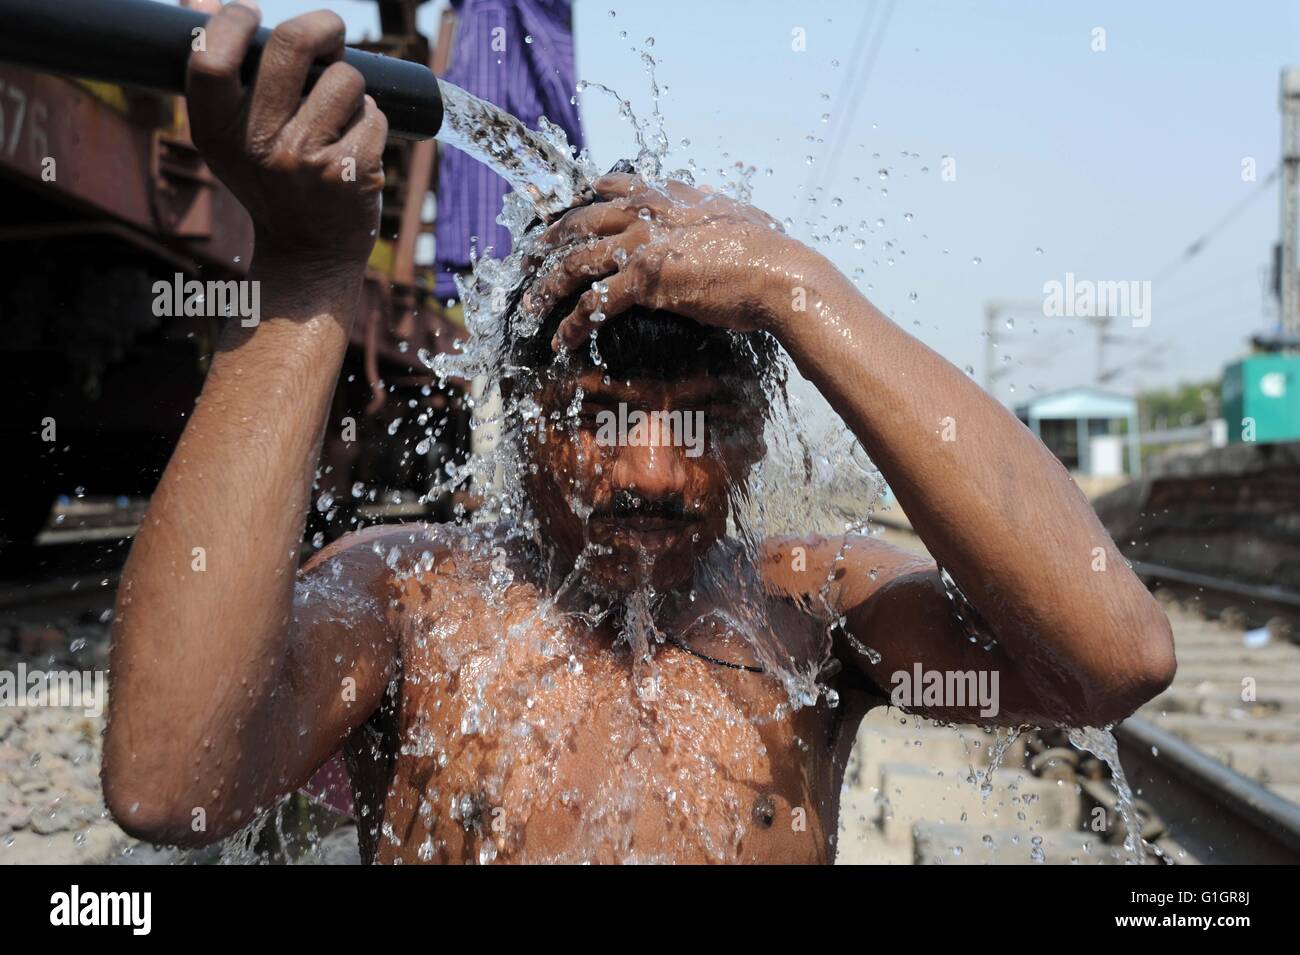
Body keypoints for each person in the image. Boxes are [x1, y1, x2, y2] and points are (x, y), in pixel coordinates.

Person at [102, 3, 1176, 864]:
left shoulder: (807, 613)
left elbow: (1110, 661)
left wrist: (806, 294)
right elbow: (169, 781)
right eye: (597, 419)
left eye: (706, 419)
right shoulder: (412, 600)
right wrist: (308, 278)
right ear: (520, 425)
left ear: (759, 435)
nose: (654, 474)